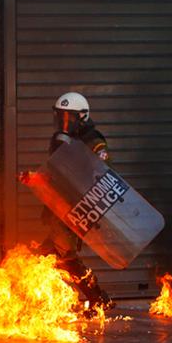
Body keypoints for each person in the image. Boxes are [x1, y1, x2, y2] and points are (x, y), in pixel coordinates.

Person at [35, 91, 114, 312]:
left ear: (83, 116)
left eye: (68, 118)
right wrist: (34, 177)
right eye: (60, 117)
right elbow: (56, 174)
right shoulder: (64, 142)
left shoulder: (93, 141)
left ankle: (98, 298)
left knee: (65, 258)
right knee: (45, 257)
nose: (63, 123)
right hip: (58, 208)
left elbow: (102, 173)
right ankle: (40, 300)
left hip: (76, 209)